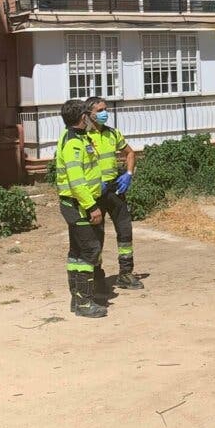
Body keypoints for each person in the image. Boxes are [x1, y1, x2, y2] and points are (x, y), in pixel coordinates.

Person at [85, 97, 144, 291]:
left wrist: (128, 174)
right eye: (100, 110)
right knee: (96, 235)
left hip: (115, 190)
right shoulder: (83, 137)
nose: (104, 113)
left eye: (105, 109)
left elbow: (130, 153)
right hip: (95, 193)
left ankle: (125, 273)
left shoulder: (112, 134)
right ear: (89, 113)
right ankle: (96, 276)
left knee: (125, 231)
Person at [55, 98, 107, 318]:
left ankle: (77, 300)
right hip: (78, 206)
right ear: (82, 117)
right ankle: (85, 303)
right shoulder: (73, 143)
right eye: (88, 114)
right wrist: (92, 206)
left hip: (78, 204)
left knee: (77, 252)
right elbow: (77, 182)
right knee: (90, 250)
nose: (91, 118)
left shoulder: (77, 137)